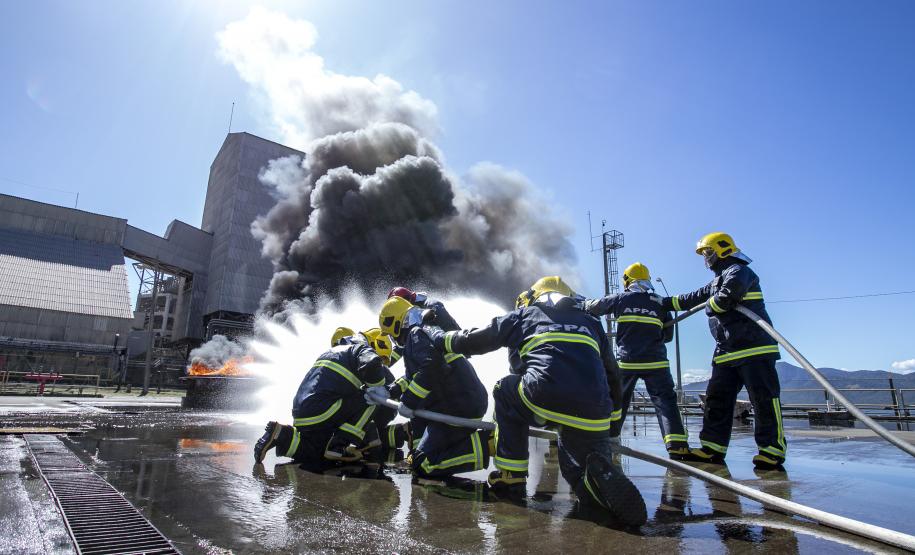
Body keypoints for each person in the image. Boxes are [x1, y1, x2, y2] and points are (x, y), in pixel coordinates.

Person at [429, 276, 647, 526]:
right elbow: (613, 375)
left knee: (505, 389)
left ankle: (511, 474)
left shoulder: (525, 315)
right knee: (574, 469)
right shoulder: (591, 322)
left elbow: (477, 340)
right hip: (594, 409)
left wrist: (441, 339)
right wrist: (612, 425)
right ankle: (593, 483)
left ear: (535, 297)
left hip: (544, 394)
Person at [658, 232, 786, 471]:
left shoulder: (739, 272)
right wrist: (661, 302)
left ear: (723, 249)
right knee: (717, 400)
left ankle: (772, 450)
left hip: (754, 348)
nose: (706, 258)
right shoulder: (718, 279)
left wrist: (709, 304)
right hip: (726, 351)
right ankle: (712, 448)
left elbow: (724, 300)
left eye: (707, 252)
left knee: (764, 400)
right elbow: (691, 298)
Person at [584, 262, 690, 459]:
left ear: (627, 281)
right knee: (665, 402)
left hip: (627, 362)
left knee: (617, 401)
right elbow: (668, 336)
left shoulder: (621, 299)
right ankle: (677, 444)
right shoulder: (660, 302)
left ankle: (610, 439)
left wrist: (582, 302)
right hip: (656, 362)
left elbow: (594, 307)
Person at [377, 296, 490, 481]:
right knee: (418, 453)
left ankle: (487, 445)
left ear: (396, 323)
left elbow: (432, 368)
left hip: (458, 408)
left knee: (424, 465)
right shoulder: (423, 331)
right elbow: (417, 375)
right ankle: (423, 450)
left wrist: (409, 401)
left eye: (391, 333)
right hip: (457, 403)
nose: (392, 338)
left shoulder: (415, 334)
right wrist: (393, 390)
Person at [253, 327, 396, 471]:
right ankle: (339, 444)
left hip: (303, 414)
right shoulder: (361, 350)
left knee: (316, 453)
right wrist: (379, 387)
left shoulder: (333, 353)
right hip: (323, 410)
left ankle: (280, 434)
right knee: (372, 397)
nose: (381, 365)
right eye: (381, 359)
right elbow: (372, 364)